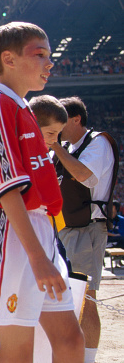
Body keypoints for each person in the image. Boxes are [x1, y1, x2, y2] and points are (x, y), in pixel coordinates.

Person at [0, 22, 83, 363]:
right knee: (15, 355)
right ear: (9, 58)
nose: (50, 63)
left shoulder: (23, 108)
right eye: (40, 55)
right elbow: (8, 190)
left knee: (69, 341)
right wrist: (37, 258)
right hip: (12, 233)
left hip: (38, 231)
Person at [51, 96, 118, 363]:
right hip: (63, 227)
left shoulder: (98, 142)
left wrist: (54, 145)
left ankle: (88, 358)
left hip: (87, 229)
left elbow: (84, 176)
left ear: (76, 119)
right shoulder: (65, 146)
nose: (55, 127)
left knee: (85, 297)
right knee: (64, 297)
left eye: (59, 121)